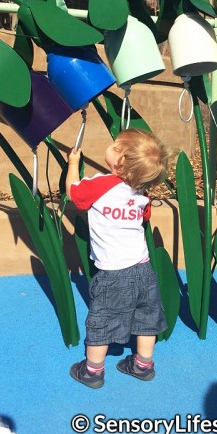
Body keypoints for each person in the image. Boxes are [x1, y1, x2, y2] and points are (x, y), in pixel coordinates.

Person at [66, 128, 169, 389]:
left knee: (101, 319)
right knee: (147, 317)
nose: (110, 146)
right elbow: (144, 218)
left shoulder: (100, 184)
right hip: (143, 269)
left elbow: (74, 195)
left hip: (114, 273)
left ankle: (92, 371)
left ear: (120, 160)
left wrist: (73, 165)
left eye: (115, 145)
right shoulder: (141, 194)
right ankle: (143, 365)